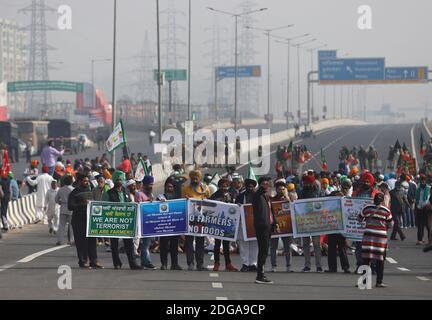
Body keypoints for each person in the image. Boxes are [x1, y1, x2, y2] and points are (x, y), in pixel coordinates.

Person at [103, 170, 139, 270]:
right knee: (114, 244)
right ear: (114, 180)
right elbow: (105, 207)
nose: (119, 181)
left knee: (129, 244)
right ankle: (117, 263)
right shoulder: (108, 193)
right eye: (117, 179)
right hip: (114, 222)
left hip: (125, 222)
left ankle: (133, 263)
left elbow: (130, 204)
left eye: (120, 179)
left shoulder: (125, 191)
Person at [68, 174, 103, 269]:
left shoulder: (90, 192)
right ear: (79, 182)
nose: (86, 183)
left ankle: (94, 261)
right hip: (78, 220)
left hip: (89, 220)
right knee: (81, 242)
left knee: (92, 241)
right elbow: (70, 206)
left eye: (87, 181)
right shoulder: (74, 193)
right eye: (84, 181)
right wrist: (82, 204)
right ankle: (83, 261)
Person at [358, 192, 393, 288]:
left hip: (368, 237)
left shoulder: (367, 208)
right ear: (382, 201)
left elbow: (359, 219)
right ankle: (379, 282)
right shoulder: (386, 211)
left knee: (366, 259)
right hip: (381, 239)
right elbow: (390, 224)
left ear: (374, 199)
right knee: (380, 260)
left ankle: (364, 282)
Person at [253, 176, 279, 284]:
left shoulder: (267, 196)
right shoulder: (257, 195)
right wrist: (261, 188)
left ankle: (261, 274)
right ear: (260, 185)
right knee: (263, 251)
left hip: (269, 226)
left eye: (268, 183)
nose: (267, 184)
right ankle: (260, 275)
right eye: (264, 183)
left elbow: (270, 211)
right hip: (262, 226)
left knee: (265, 250)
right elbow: (256, 194)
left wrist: (275, 222)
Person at [182, 170, 210, 271]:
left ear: (200, 178)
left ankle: (200, 264)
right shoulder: (186, 189)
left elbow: (208, 200)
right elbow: (183, 202)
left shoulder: (205, 188)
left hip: (201, 219)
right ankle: (190, 263)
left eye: (196, 177)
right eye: (193, 177)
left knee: (200, 242)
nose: (195, 179)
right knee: (189, 242)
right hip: (190, 219)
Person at [210, 178, 238, 272]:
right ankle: (216, 263)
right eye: (222, 186)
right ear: (219, 186)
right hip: (217, 224)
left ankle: (228, 264)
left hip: (228, 224)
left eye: (226, 186)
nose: (224, 187)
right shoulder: (214, 196)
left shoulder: (231, 195)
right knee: (217, 245)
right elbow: (208, 206)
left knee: (226, 245)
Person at [326, 180, 351, 274]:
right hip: (332, 224)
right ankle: (332, 268)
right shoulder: (334, 194)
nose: (345, 190)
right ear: (341, 187)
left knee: (342, 248)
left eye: (347, 188)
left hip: (342, 227)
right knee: (331, 247)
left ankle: (345, 267)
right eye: (344, 187)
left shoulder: (349, 199)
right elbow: (325, 199)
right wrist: (336, 195)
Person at [157, 178, 183, 270]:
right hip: (164, 226)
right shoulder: (161, 197)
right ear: (165, 188)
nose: (169, 188)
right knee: (163, 246)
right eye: (168, 187)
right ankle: (164, 264)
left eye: (171, 187)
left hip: (174, 226)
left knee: (174, 246)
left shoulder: (177, 197)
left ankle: (174, 264)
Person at [300, 174, 323, 273]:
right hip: (304, 221)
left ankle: (318, 265)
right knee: (306, 244)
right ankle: (307, 265)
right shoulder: (301, 193)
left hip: (315, 221)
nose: (306, 184)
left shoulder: (317, 193)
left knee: (316, 244)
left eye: (308, 182)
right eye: (305, 183)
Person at [270, 181, 293, 273]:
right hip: (274, 226)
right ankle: (273, 266)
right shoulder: (272, 200)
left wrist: (287, 199)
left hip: (286, 226)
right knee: (273, 247)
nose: (281, 191)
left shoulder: (288, 199)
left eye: (283, 189)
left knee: (287, 247)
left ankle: (289, 266)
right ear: (276, 190)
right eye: (279, 189)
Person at [236, 178, 259, 272]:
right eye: (248, 186)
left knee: (254, 244)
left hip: (255, 223)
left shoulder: (258, 197)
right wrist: (237, 206)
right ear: (245, 187)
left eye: (252, 186)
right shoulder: (240, 196)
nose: (250, 188)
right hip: (243, 223)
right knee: (243, 243)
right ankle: (245, 263)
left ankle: (253, 263)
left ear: (254, 187)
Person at [139, 175, 157, 270]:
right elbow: (138, 206)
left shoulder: (151, 194)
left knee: (147, 243)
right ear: (145, 184)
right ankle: (147, 262)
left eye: (152, 184)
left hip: (149, 221)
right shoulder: (140, 194)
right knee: (145, 243)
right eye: (150, 184)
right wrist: (146, 202)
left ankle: (143, 261)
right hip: (142, 221)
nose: (151, 186)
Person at [55, 175, 74, 245]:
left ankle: (59, 240)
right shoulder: (73, 189)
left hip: (63, 208)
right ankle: (71, 240)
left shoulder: (61, 189)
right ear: (71, 182)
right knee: (71, 226)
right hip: (71, 209)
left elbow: (56, 199)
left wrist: (60, 202)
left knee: (61, 225)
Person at [415, 175, 431, 245]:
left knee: (428, 225)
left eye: (424, 180)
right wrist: (418, 206)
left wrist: (426, 205)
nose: (423, 182)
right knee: (420, 225)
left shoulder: (429, 188)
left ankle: (429, 240)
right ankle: (420, 239)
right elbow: (417, 198)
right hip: (419, 207)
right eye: (422, 180)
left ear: (426, 181)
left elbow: (429, 199)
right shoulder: (418, 189)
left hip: (426, 208)